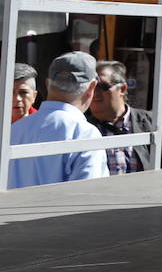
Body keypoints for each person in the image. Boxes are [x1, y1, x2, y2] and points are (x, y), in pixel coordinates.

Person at [8, 52, 109, 189]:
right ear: (91, 88)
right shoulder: (85, 134)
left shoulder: (14, 130)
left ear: (48, 83)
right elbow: (88, 197)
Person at [86, 61, 162, 175]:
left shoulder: (153, 123)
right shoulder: (83, 128)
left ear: (122, 89)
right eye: (91, 87)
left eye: (102, 87)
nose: (95, 93)